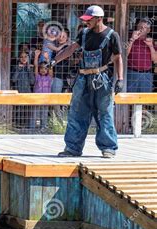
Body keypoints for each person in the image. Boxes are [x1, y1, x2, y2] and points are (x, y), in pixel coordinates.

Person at [49, 5, 123, 158]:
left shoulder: (111, 35)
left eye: (89, 20)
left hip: (101, 79)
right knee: (77, 113)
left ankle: (108, 147)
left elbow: (118, 58)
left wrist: (120, 79)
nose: (86, 22)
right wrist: (54, 60)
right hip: (82, 79)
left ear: (99, 19)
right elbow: (70, 49)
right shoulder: (83, 33)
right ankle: (72, 148)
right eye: (85, 19)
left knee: (104, 113)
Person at [126, 19, 157, 93]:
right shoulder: (129, 38)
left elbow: (155, 60)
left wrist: (151, 46)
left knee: (145, 100)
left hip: (146, 75)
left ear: (148, 30)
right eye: (140, 27)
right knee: (129, 99)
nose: (141, 29)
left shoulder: (151, 41)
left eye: (144, 28)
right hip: (131, 73)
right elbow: (124, 55)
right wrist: (132, 40)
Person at [32, 51, 53, 129]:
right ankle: (33, 127)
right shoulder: (37, 76)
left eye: (45, 68)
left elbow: (50, 67)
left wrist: (47, 58)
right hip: (37, 97)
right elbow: (36, 66)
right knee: (35, 113)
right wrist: (36, 56)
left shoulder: (49, 77)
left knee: (44, 113)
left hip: (46, 98)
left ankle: (43, 127)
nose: (43, 70)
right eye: (41, 68)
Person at [50, 28, 71, 93]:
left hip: (62, 77)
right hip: (55, 76)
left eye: (63, 36)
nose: (61, 38)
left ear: (67, 38)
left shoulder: (69, 48)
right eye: (59, 36)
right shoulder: (55, 48)